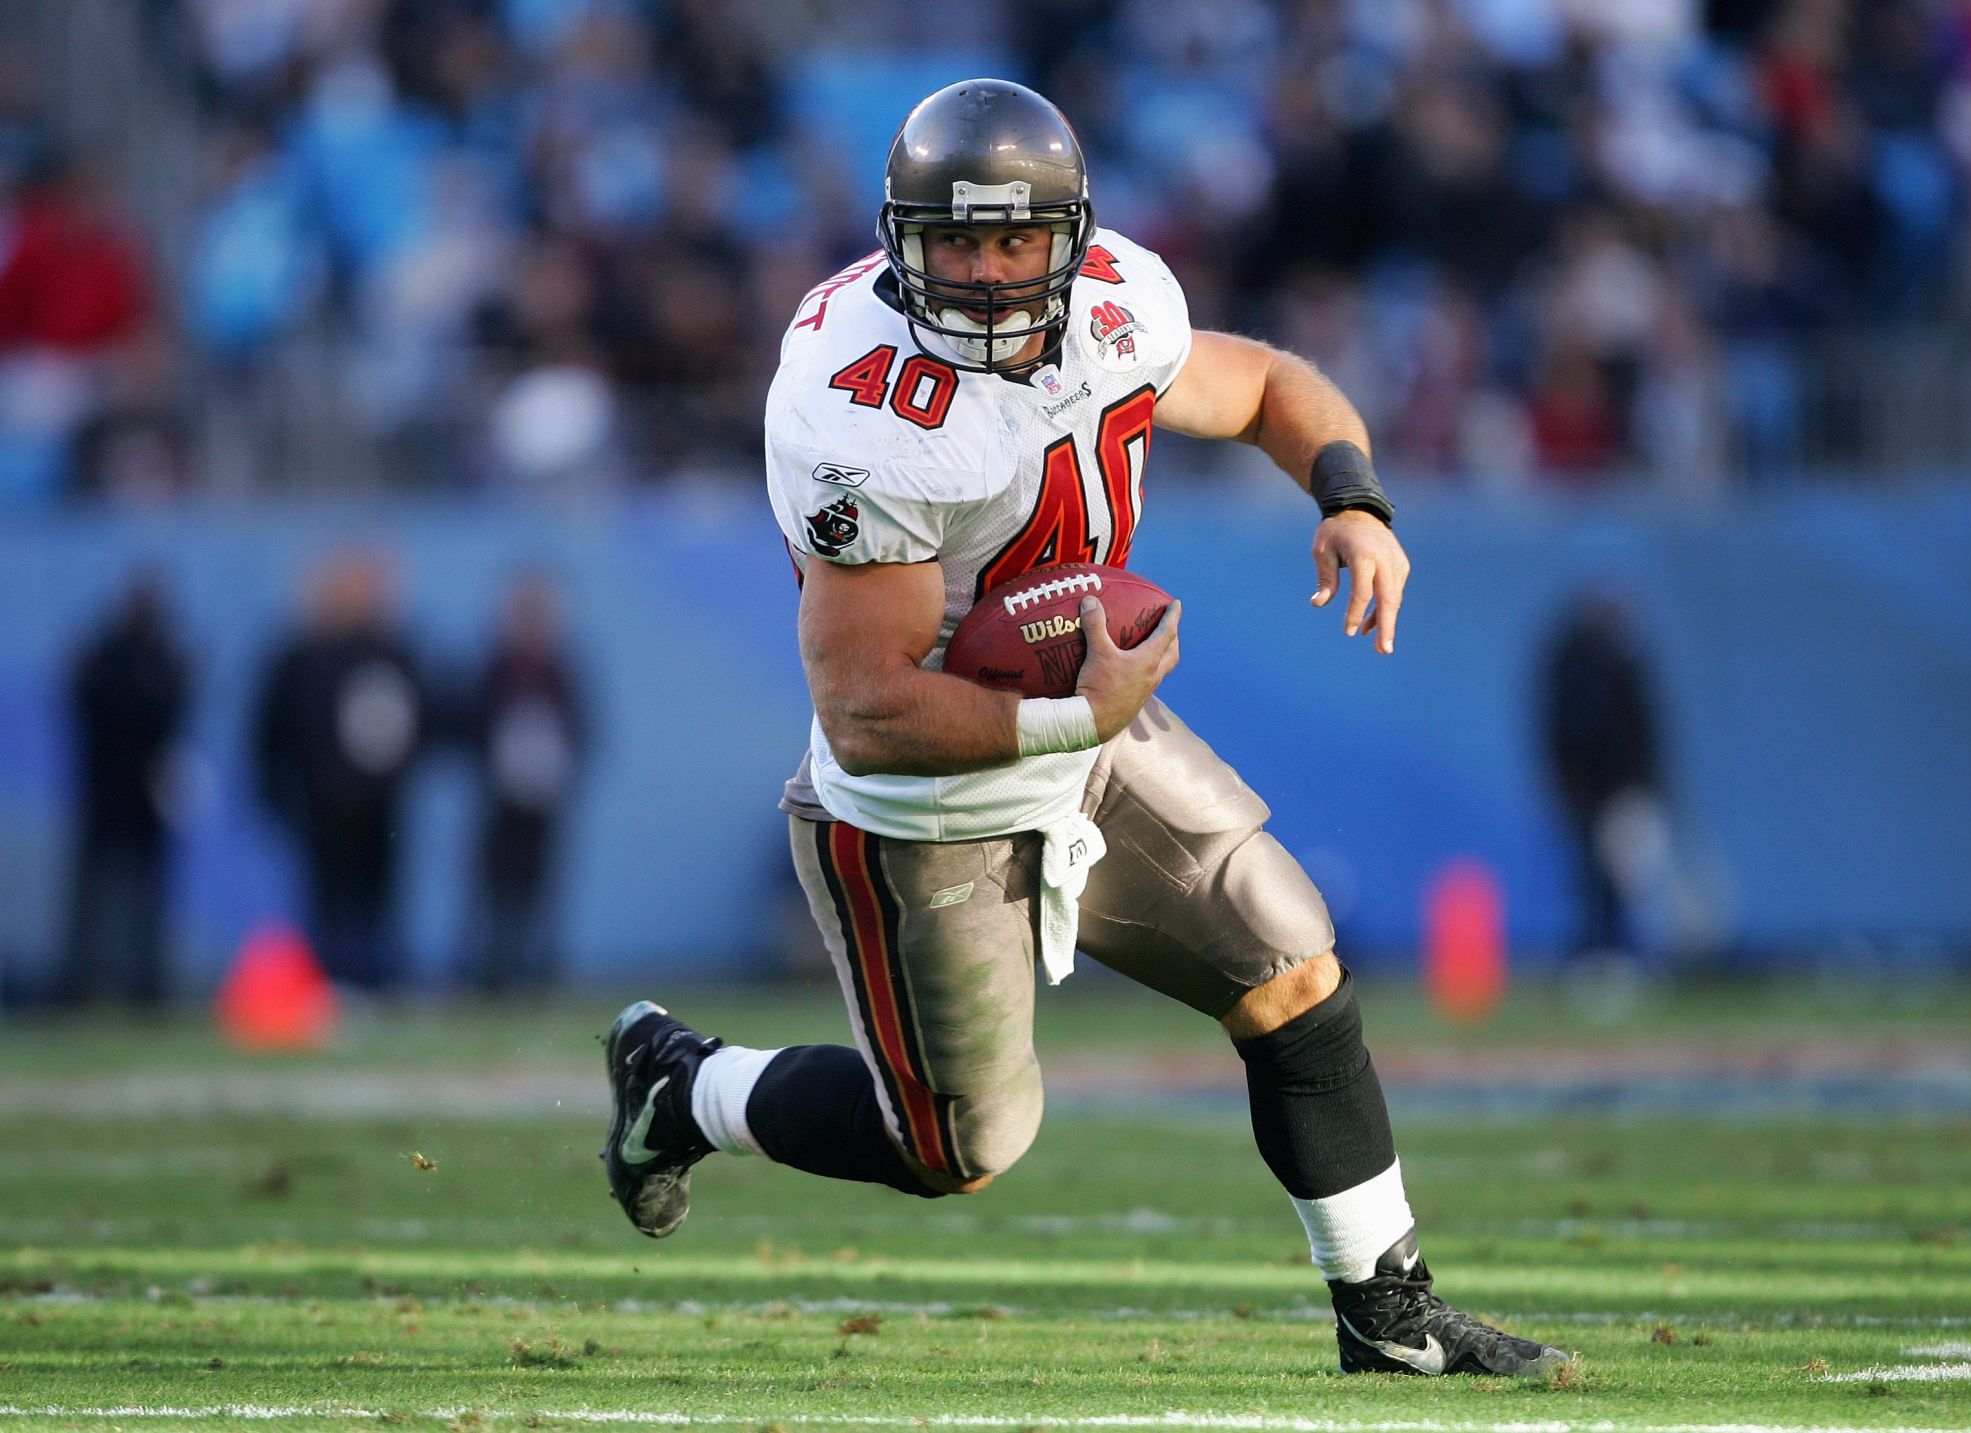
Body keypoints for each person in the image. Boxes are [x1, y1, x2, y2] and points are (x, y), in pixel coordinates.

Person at [599, 80, 1568, 1380]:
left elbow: (1270, 382)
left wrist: (1353, 495)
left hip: (1085, 718)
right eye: (958, 243)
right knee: (961, 1145)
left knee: (1288, 962)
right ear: (902, 242)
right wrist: (1071, 712)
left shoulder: (1118, 299)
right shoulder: (857, 403)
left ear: (1070, 237)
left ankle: (1388, 1318)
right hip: (927, 797)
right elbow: (868, 708)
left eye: (1014, 242)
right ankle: (683, 1084)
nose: (990, 276)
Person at [251, 550, 425, 995]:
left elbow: (421, 720)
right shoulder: (302, 655)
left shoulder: (394, 651)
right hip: (322, 804)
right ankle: (329, 984)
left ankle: (380, 982)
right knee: (327, 901)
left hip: (379, 805)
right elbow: (273, 729)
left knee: (379, 900)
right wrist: (275, 791)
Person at [58, 571, 189, 1009]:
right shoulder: (121, 659)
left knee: (140, 897)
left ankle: (141, 983)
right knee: (99, 897)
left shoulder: (136, 658)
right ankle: (83, 983)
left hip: (139, 798)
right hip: (109, 795)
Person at [462, 572, 587, 996]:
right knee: (493, 885)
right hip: (499, 798)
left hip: (546, 799)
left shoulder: (559, 670)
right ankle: (490, 970)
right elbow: (471, 726)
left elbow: (582, 729)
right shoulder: (495, 668)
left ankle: (536, 970)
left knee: (541, 887)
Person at [1538, 589, 1669, 971]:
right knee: (1590, 875)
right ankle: (1597, 951)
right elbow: (1565, 730)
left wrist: (1642, 782)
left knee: (1626, 877)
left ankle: (1626, 951)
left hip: (1622, 790)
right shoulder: (1573, 664)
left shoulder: (1625, 665)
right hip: (1587, 791)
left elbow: (1643, 732)